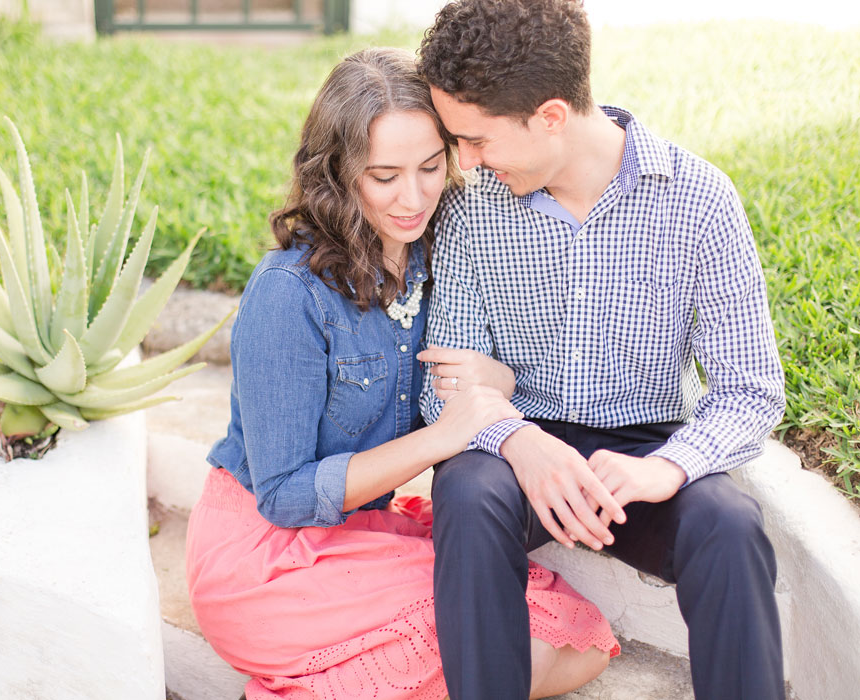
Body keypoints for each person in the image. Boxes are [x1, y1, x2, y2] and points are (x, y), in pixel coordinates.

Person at [185, 47, 620, 700]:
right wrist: (443, 436)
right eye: (384, 175)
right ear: (338, 171)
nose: (413, 197)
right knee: (495, 647)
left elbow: (482, 377)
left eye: (429, 167)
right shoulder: (289, 295)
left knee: (566, 633)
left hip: (361, 533)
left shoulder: (436, 256)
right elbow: (284, 495)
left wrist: (497, 379)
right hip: (266, 557)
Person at [415, 2, 788, 699]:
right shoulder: (473, 209)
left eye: (476, 139)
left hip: (643, 450)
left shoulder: (700, 201)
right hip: (517, 442)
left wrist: (669, 469)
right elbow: (451, 374)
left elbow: (751, 390)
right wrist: (520, 440)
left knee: (730, 526)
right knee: (465, 493)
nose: (463, 162)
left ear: (551, 116)